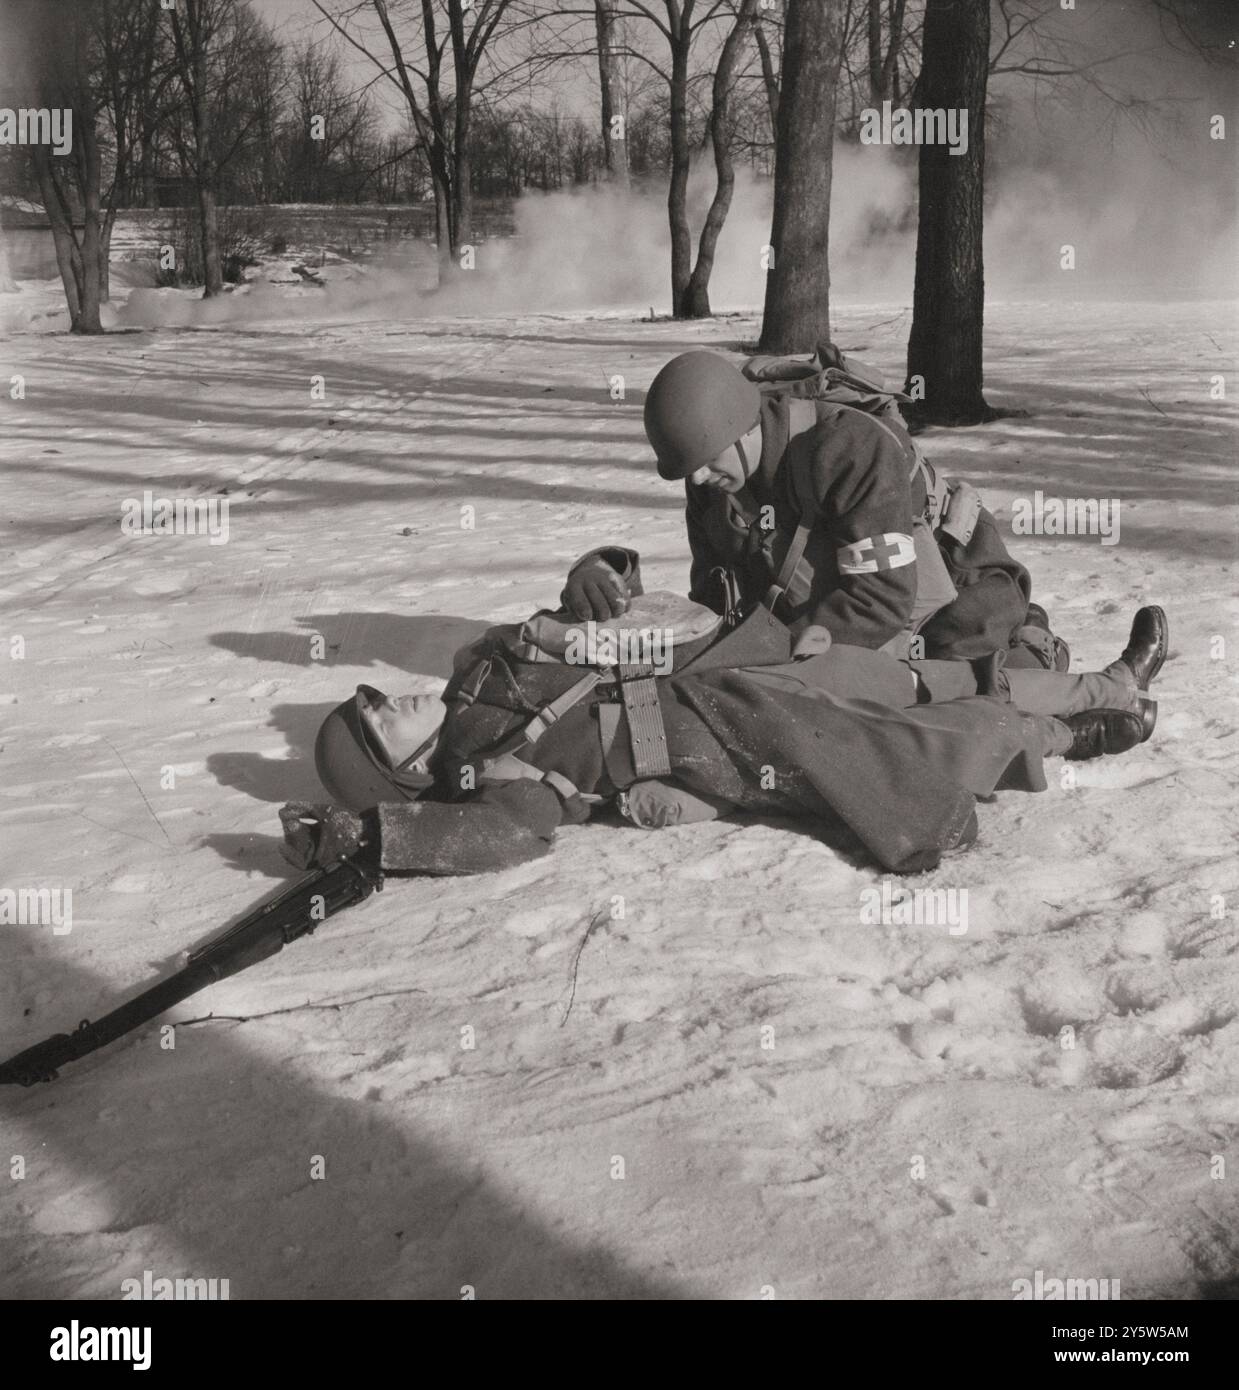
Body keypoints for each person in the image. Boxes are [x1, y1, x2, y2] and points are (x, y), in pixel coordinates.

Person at [281, 591, 1167, 880]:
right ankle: (1071, 734)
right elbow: (503, 833)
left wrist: (588, 584)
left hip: (723, 675)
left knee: (898, 678)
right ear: (399, 770)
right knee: (912, 746)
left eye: (371, 698)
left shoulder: (478, 676)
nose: (382, 697)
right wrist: (373, 837)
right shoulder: (485, 773)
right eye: (374, 719)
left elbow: (569, 632)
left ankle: (1109, 684)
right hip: (719, 738)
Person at [565, 349, 1058, 672]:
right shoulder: (714, 475)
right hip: (829, 616)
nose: (695, 479)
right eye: (688, 468)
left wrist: (766, 654)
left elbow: (880, 602)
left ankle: (1034, 638)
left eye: (704, 462)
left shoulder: (847, 448)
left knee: (955, 692)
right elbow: (714, 599)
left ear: (744, 426)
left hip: (956, 600)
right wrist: (605, 574)